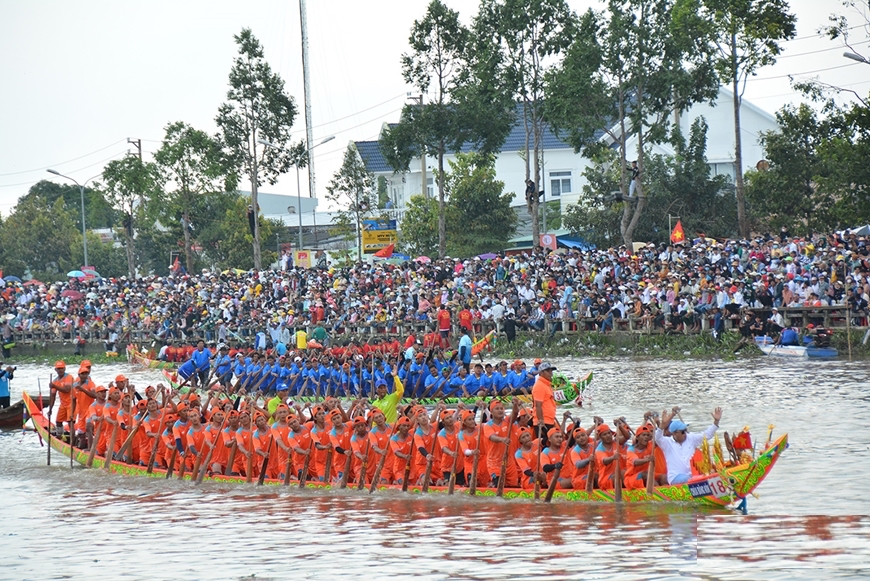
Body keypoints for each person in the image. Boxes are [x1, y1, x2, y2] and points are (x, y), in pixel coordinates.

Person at [654, 407, 722, 484]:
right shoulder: (667, 443)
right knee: (695, 479)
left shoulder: (691, 438)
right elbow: (657, 437)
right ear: (674, 433)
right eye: (682, 432)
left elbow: (707, 435)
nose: (685, 434)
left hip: (693, 476)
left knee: (713, 474)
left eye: (685, 430)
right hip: (676, 477)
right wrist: (662, 425)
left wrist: (716, 421)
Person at [532, 361, 557, 447]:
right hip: (543, 422)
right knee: (545, 446)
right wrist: (541, 421)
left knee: (550, 446)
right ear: (541, 373)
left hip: (549, 420)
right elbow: (538, 405)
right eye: (548, 371)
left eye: (551, 371)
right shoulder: (539, 385)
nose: (551, 373)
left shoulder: (547, 385)